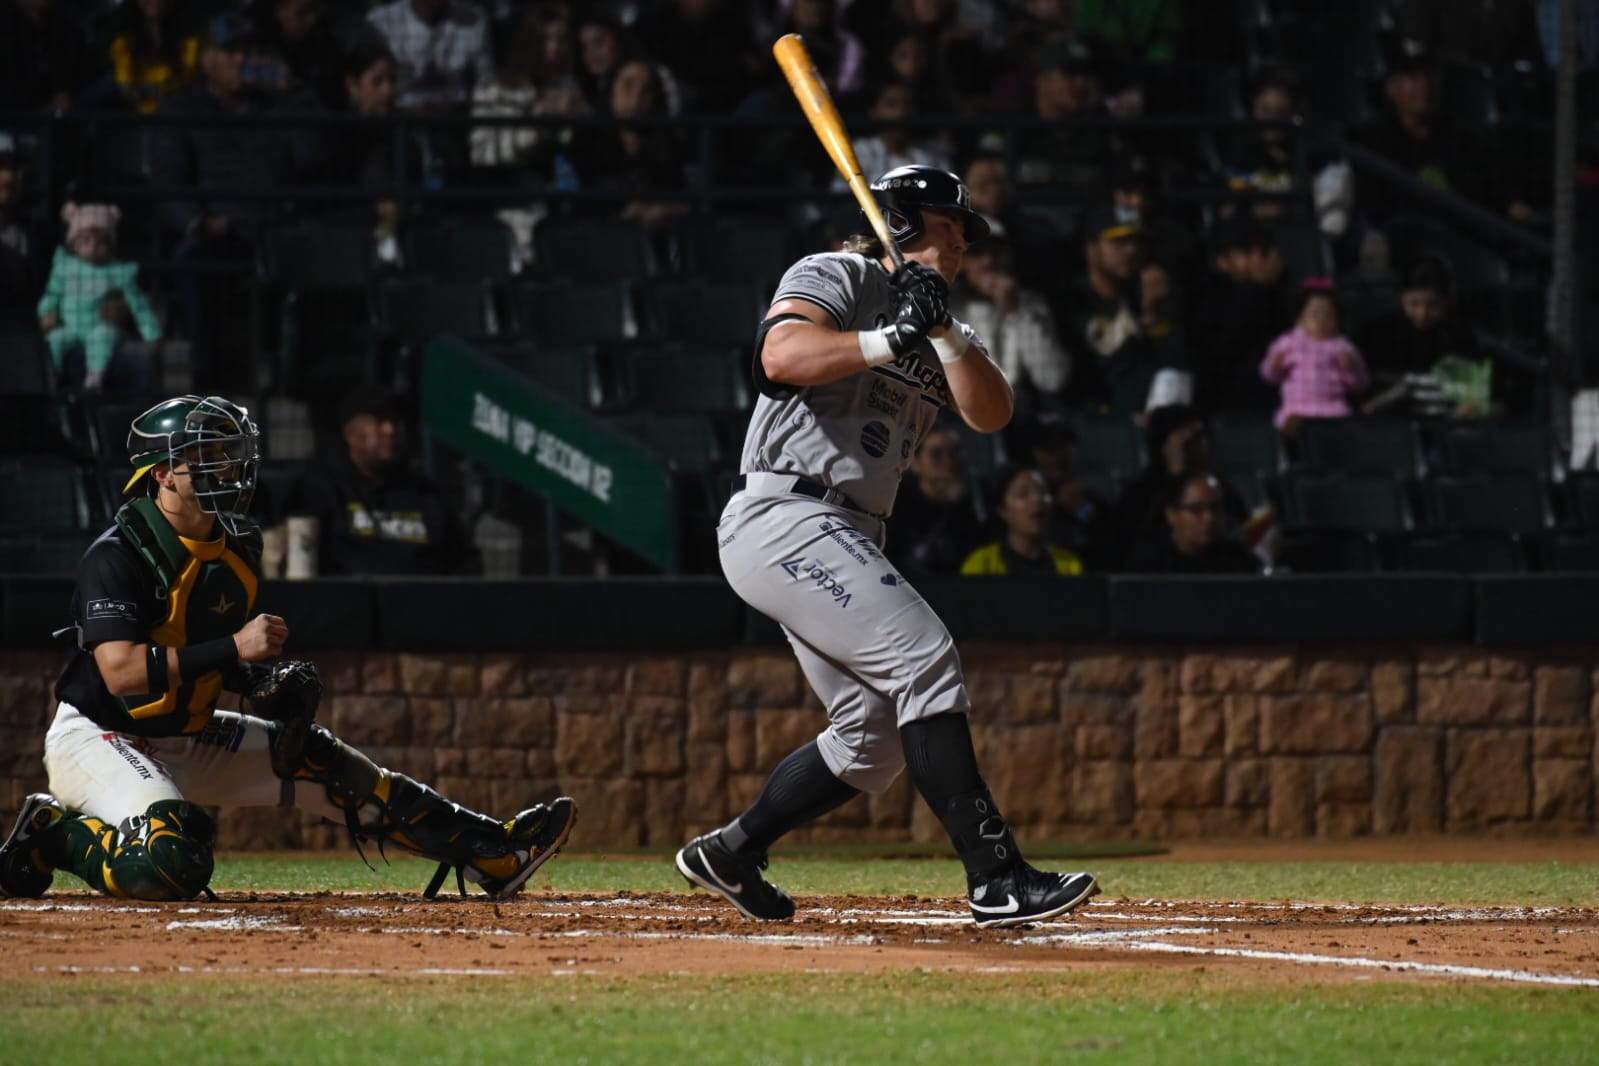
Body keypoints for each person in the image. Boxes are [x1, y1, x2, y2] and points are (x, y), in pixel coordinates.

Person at [673, 164, 1099, 929]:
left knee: (870, 744)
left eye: (965, 235)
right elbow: (781, 358)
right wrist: (892, 332)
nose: (961, 245)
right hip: (787, 513)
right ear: (898, 224)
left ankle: (731, 851)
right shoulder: (835, 272)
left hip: (848, 530)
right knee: (924, 657)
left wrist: (937, 331)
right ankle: (996, 876)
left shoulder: (935, 317)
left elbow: (992, 413)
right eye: (946, 228)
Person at [0, 394, 574, 902]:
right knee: (172, 861)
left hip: (186, 731)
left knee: (331, 765)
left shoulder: (237, 548)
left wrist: (264, 685)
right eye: (206, 456)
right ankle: (53, 837)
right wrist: (236, 650)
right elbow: (123, 673)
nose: (225, 467)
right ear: (163, 474)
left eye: (228, 452)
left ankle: (496, 853)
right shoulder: (117, 554)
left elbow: (203, 653)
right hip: (100, 735)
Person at [286, 384, 481, 576]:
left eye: (396, 421)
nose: (390, 430)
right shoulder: (322, 488)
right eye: (379, 421)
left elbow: (463, 561)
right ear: (350, 433)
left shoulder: (426, 493)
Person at [37, 202, 162, 392]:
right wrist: (47, 313)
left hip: (100, 326)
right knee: (54, 340)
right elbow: (52, 294)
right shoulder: (65, 268)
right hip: (70, 326)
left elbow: (139, 305)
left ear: (110, 245)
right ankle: (50, 379)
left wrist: (152, 334)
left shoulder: (118, 272)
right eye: (85, 241)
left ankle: (94, 380)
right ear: (74, 244)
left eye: (100, 242)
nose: (93, 247)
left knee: (101, 337)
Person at [1260, 284, 1369, 436]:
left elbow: (1360, 384)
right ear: (1301, 318)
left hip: (1333, 410)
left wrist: (1352, 367)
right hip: (1297, 410)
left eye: (1328, 314)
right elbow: (1270, 377)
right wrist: (1273, 365)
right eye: (1315, 314)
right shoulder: (1287, 343)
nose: (1322, 319)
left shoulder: (1343, 346)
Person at [886, 421, 983, 578]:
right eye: (936, 454)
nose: (948, 462)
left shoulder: (974, 501)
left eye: (955, 453)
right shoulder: (895, 503)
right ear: (915, 463)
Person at [1124, 473, 1261, 574]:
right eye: (1196, 509)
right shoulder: (1149, 564)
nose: (1209, 517)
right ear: (1171, 514)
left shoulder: (1237, 560)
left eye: (1215, 508)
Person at [959, 465, 1084, 576]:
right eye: (1023, 494)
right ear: (1002, 510)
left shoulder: (1070, 564)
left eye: (1043, 492)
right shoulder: (982, 564)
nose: (1037, 500)